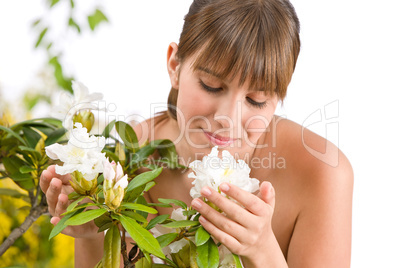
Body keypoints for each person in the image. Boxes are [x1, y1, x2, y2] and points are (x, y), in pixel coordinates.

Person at [40, 0, 353, 267]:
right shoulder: (125, 157)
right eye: (212, 86)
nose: (228, 119)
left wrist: (263, 251)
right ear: (175, 64)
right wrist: (93, 229)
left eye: (256, 100)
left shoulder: (323, 172)